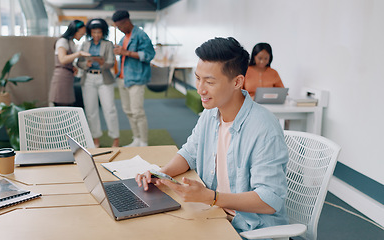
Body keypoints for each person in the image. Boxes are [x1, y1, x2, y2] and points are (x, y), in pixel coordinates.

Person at [136, 37, 289, 233]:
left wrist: (211, 197)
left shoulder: (264, 128)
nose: (200, 89)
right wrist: (161, 174)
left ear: (237, 82)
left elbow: (269, 199)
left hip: (249, 228)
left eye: (209, 82)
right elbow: (190, 153)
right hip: (213, 212)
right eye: (198, 78)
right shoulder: (210, 114)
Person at [112, 10, 155, 147]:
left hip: (136, 78)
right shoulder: (124, 37)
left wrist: (126, 52)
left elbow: (149, 55)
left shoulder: (141, 35)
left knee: (137, 112)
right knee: (128, 111)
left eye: (119, 27)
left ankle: (144, 141)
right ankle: (136, 138)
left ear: (126, 22)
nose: (119, 29)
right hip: (122, 78)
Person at [77, 18, 120, 148]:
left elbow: (111, 62)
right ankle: (96, 139)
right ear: (90, 32)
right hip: (88, 78)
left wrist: (102, 63)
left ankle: (115, 139)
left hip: (104, 78)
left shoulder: (108, 44)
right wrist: (86, 64)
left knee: (110, 109)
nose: (96, 35)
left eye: (99, 32)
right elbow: (79, 62)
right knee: (91, 110)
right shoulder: (85, 44)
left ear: (103, 33)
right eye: (94, 32)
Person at [49, 20, 90, 106]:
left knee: (68, 104)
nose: (82, 36)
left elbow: (68, 60)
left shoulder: (71, 42)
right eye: (81, 34)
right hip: (61, 77)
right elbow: (63, 59)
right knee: (61, 105)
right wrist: (79, 53)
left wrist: (73, 67)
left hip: (68, 76)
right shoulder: (62, 41)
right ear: (74, 31)